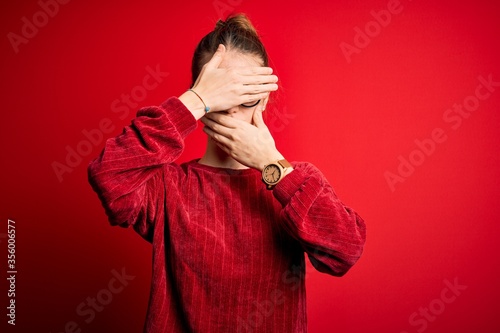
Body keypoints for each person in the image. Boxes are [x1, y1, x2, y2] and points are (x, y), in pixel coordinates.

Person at [88, 13, 366, 333]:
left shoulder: (295, 183)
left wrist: (272, 164)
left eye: (246, 96)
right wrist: (197, 100)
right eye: (223, 95)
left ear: (263, 99)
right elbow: (109, 174)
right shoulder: (167, 187)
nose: (233, 111)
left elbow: (345, 251)